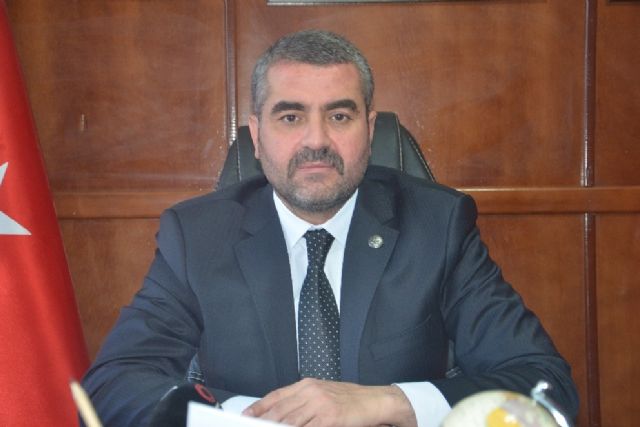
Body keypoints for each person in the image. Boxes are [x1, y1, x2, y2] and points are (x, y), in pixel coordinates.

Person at [82, 29, 579, 427]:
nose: (316, 141)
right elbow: (113, 386)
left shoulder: (438, 226)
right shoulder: (197, 237)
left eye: (339, 115)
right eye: (290, 117)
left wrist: (388, 403)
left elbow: (545, 388)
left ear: (370, 128)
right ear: (256, 135)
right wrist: (251, 418)